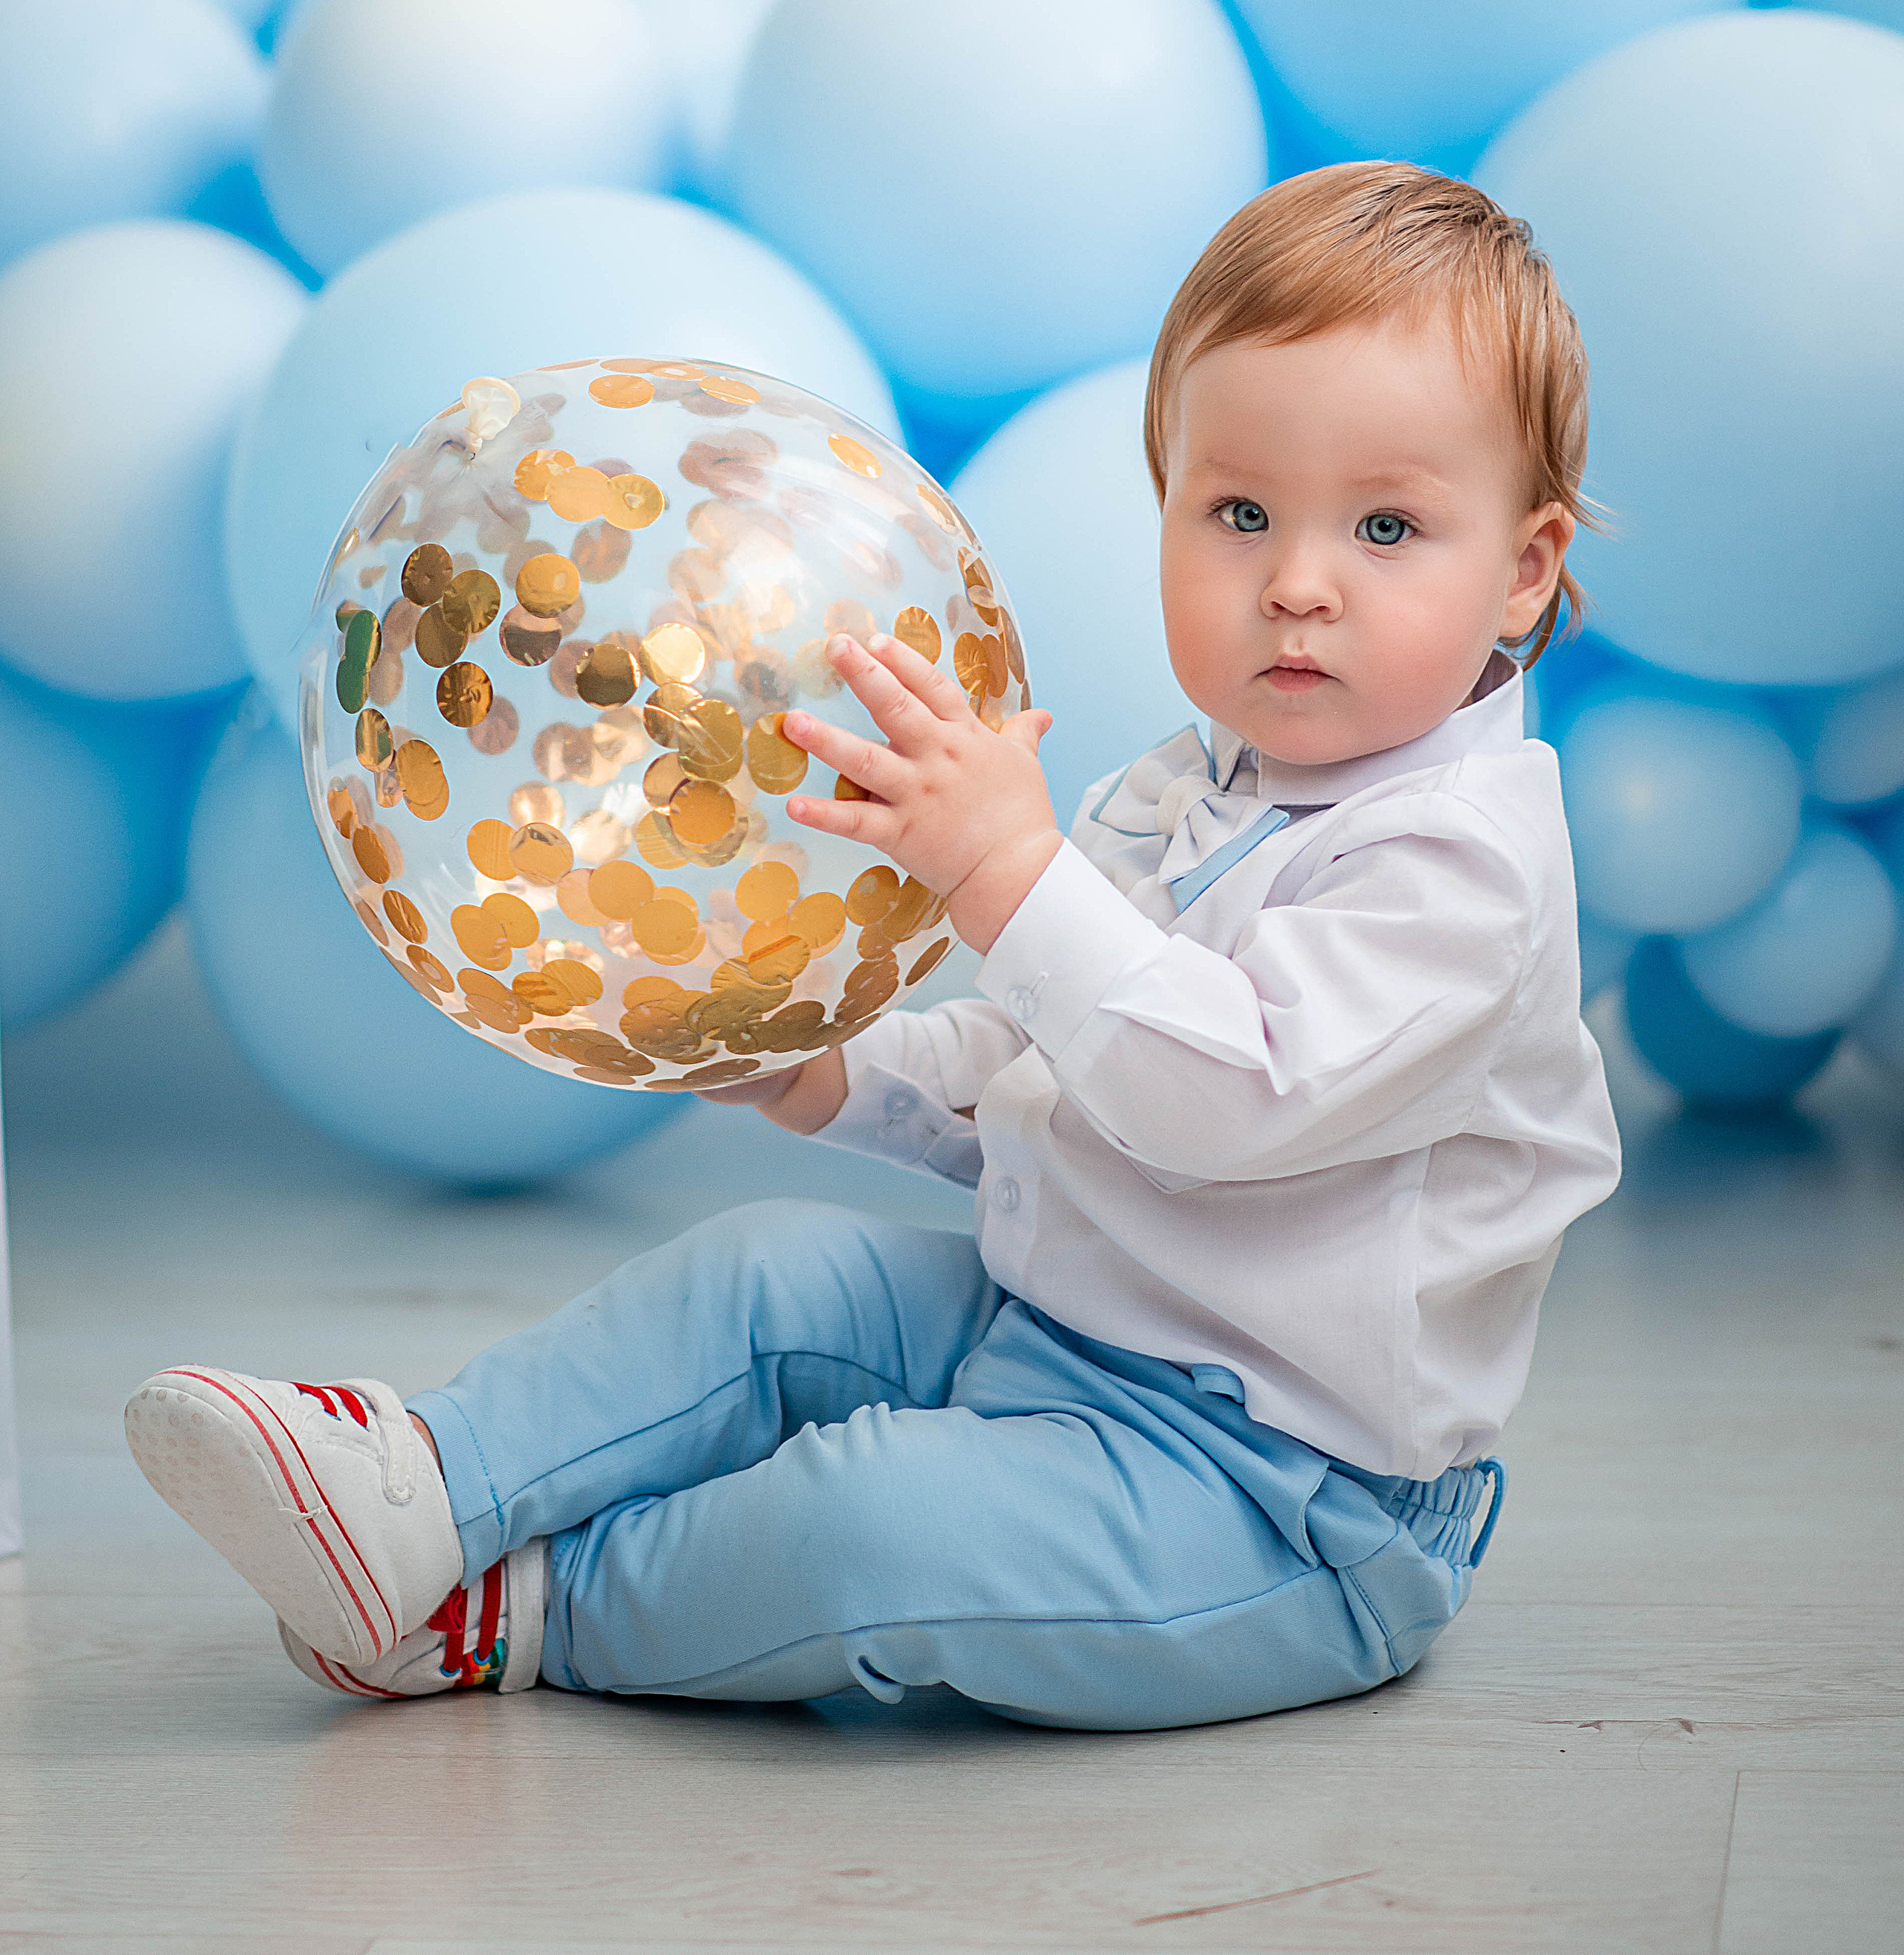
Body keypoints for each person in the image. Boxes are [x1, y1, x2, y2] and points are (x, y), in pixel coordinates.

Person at [126, 161, 1621, 1729]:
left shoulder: (1461, 865)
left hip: (1280, 1495)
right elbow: (1047, 1062)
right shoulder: (1184, 788)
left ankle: (519, 1605)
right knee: (764, 1276)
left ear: (1520, 568)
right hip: (1053, 1321)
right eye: (1238, 513)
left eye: (1386, 526)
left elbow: (1216, 1097)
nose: (1297, 584)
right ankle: (425, 1485)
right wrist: (840, 1073)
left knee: (878, 1526)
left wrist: (1006, 871)